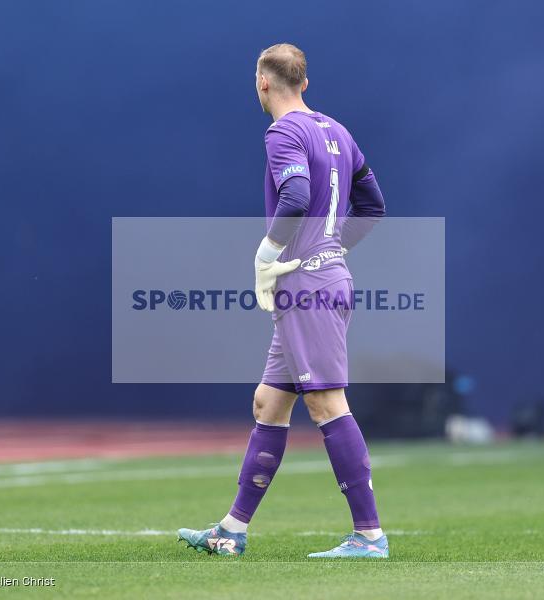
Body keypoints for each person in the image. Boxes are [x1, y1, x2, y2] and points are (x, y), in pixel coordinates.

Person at [178, 43, 387, 558]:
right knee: (269, 403)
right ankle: (232, 529)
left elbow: (294, 197)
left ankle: (369, 535)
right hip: (318, 279)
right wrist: (331, 249)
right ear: (305, 83)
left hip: (308, 285)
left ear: (263, 83)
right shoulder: (338, 131)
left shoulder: (283, 132)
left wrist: (267, 255)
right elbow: (373, 205)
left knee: (326, 402)